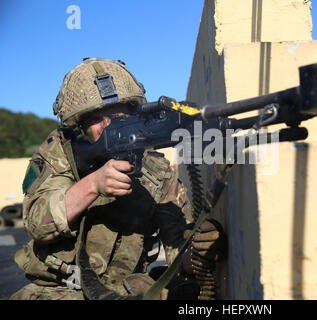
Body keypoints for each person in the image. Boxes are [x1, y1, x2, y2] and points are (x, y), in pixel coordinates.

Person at [10, 58, 226, 300]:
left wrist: (196, 254)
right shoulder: (62, 151)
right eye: (95, 118)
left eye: (118, 115)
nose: (107, 125)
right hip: (55, 288)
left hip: (124, 291)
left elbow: (176, 247)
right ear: (79, 125)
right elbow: (36, 224)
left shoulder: (156, 170)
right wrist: (93, 185)